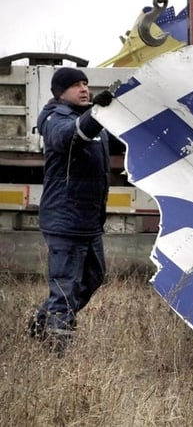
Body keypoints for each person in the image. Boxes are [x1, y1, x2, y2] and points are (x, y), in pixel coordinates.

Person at [29, 67, 114, 351]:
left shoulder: (90, 120)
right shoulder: (54, 119)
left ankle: (40, 324)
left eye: (86, 84)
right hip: (65, 221)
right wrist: (96, 113)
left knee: (93, 278)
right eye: (76, 85)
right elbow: (70, 137)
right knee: (65, 289)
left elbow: (124, 137)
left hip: (88, 221)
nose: (84, 89)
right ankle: (56, 351)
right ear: (60, 91)